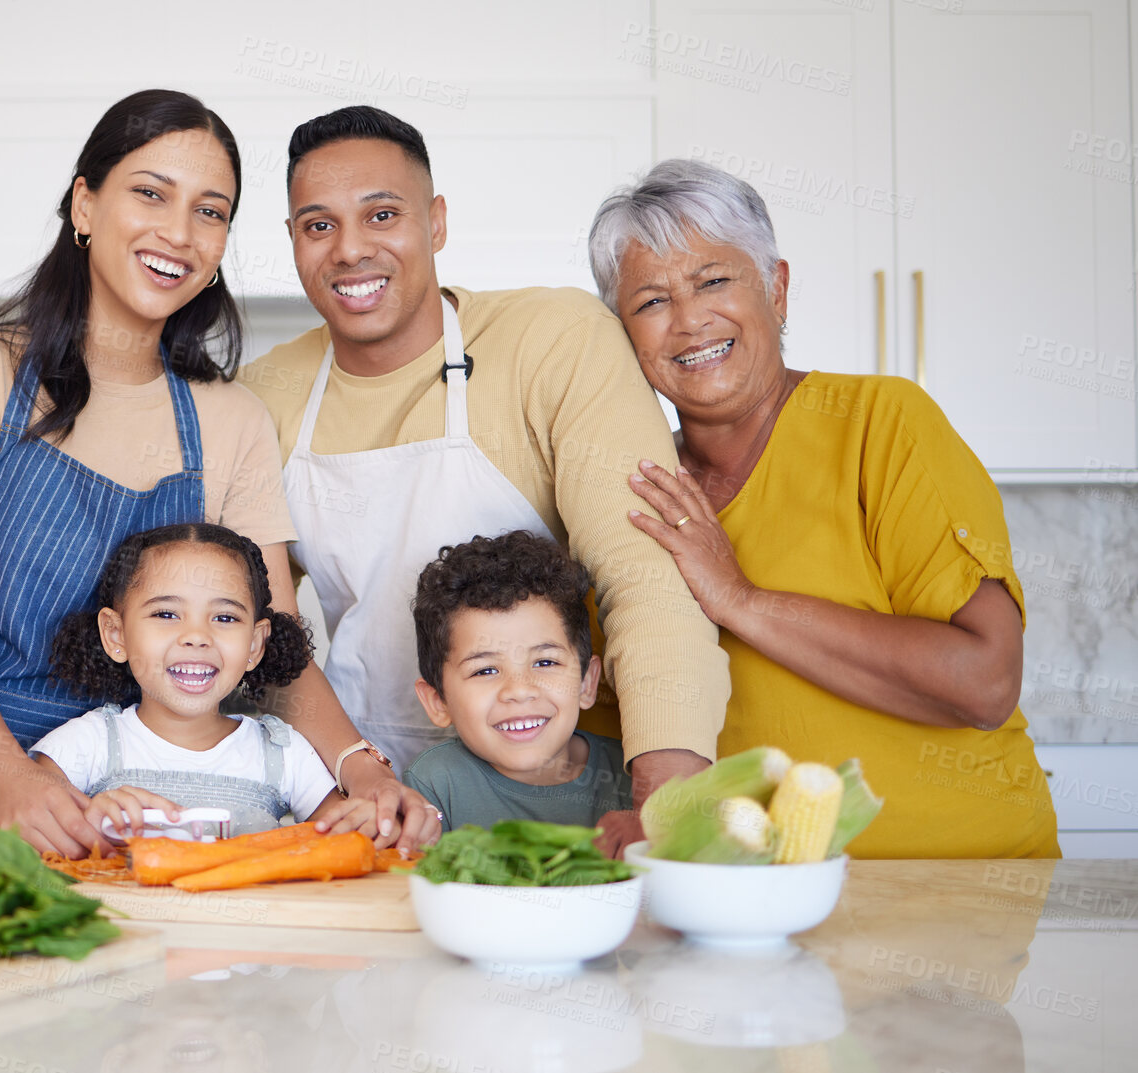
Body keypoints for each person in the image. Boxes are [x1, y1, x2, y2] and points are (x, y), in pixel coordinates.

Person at [0, 89, 408, 857]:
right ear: (84, 205)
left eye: (210, 211)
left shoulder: (229, 421)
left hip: (134, 820)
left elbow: (276, 649)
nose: (179, 234)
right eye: (151, 193)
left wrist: (361, 768)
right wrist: (11, 777)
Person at [238, 106, 729, 852]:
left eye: (382, 214)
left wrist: (664, 812)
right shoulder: (262, 397)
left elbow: (647, 577)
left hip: (554, 801)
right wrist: (356, 776)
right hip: (364, 800)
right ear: (293, 242)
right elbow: (269, 634)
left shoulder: (554, 342)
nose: (351, 249)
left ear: (435, 222)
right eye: (318, 225)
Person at [588, 158, 1060, 858]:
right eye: (651, 302)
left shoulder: (881, 423)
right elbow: (599, 718)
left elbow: (986, 680)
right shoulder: (633, 492)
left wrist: (740, 599)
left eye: (715, 280)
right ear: (620, 333)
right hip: (752, 905)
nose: (689, 322)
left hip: (959, 887)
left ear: (776, 290)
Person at [32, 523, 371, 837]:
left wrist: (373, 820)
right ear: (116, 634)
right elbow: (20, 833)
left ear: (255, 644)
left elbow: (345, 837)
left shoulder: (284, 754)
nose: (197, 636)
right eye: (166, 614)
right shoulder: (86, 744)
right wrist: (88, 821)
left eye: (224, 617)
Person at [404, 531, 632, 832]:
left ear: (587, 683)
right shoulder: (435, 783)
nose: (519, 690)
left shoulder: (634, 776)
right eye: (485, 670)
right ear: (438, 701)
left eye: (545, 662)